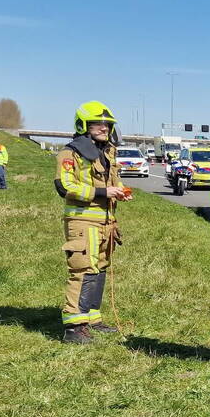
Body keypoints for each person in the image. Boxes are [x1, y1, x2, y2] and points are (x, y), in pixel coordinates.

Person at [55, 101, 131, 343]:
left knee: (99, 269)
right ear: (83, 125)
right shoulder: (70, 153)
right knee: (83, 270)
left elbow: (112, 181)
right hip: (82, 221)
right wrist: (102, 193)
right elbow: (64, 185)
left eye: (107, 124)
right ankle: (74, 329)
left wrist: (120, 190)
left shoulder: (108, 152)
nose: (105, 127)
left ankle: (92, 320)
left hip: (106, 223)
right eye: (99, 123)